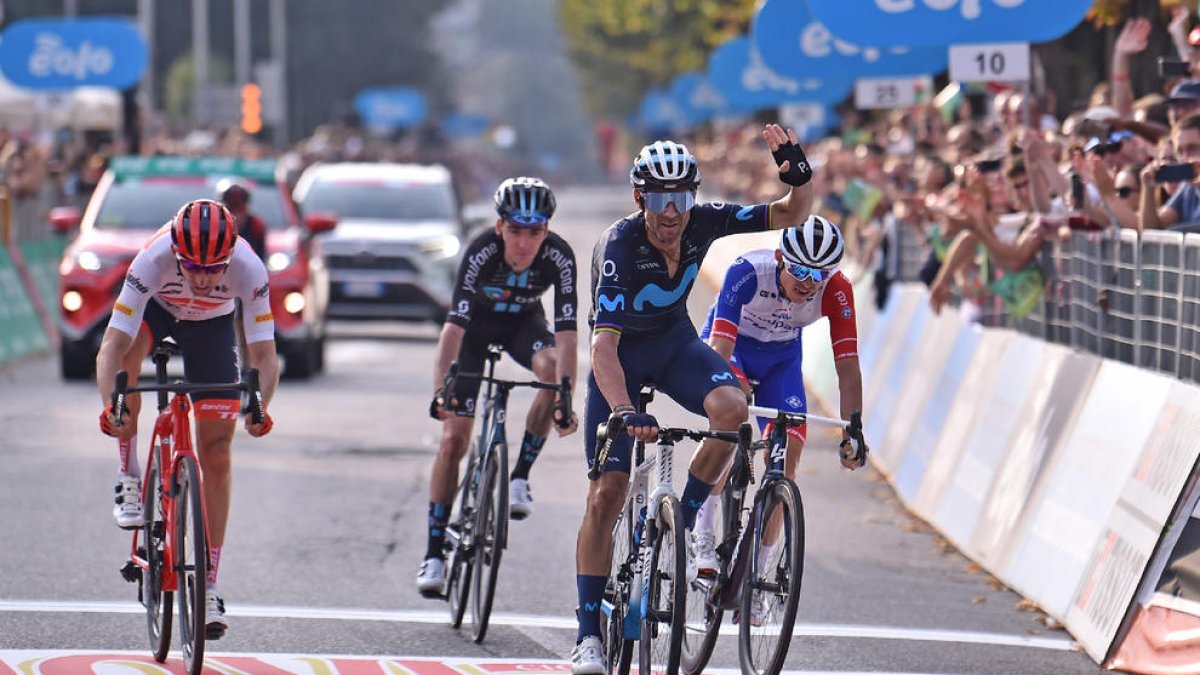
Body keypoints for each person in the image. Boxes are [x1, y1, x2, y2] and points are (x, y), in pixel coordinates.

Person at [570, 125, 815, 674]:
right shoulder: (619, 246)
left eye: (681, 197)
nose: (672, 211)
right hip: (622, 358)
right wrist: (622, 410)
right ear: (641, 199)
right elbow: (603, 350)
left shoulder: (704, 220)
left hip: (675, 343)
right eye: (659, 198)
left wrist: (797, 172)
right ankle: (587, 634)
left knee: (733, 410)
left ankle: (678, 521)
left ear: (692, 197)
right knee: (605, 494)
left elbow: (790, 213)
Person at [96, 199, 279, 639]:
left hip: (211, 328)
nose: (200, 278)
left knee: (217, 454)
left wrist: (260, 406)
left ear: (230, 255)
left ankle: (210, 582)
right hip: (156, 311)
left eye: (213, 269)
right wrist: (112, 406)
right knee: (129, 363)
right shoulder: (153, 258)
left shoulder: (250, 269)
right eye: (191, 266)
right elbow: (110, 347)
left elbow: (264, 356)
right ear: (176, 253)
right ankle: (128, 473)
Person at [689, 216, 867, 623]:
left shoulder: (837, 290)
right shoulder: (748, 271)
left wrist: (853, 428)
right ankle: (702, 529)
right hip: (731, 348)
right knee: (730, 423)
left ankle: (760, 575)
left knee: (789, 457)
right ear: (781, 259)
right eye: (800, 270)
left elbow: (848, 365)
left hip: (781, 361)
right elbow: (719, 345)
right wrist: (721, 396)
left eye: (818, 275)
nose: (807, 283)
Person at [418, 177, 579, 596]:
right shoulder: (481, 251)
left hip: (523, 326)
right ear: (499, 227)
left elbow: (566, 337)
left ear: (546, 231)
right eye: (515, 231)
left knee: (549, 368)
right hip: (474, 331)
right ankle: (434, 554)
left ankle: (520, 476)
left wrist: (565, 398)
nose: (524, 243)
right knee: (454, 438)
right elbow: (452, 329)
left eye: (535, 233)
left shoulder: (559, 256)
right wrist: (441, 391)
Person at [217, 178, 267, 261]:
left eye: (239, 208)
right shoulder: (215, 226)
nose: (235, 216)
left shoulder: (257, 226)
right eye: (231, 209)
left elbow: (261, 257)